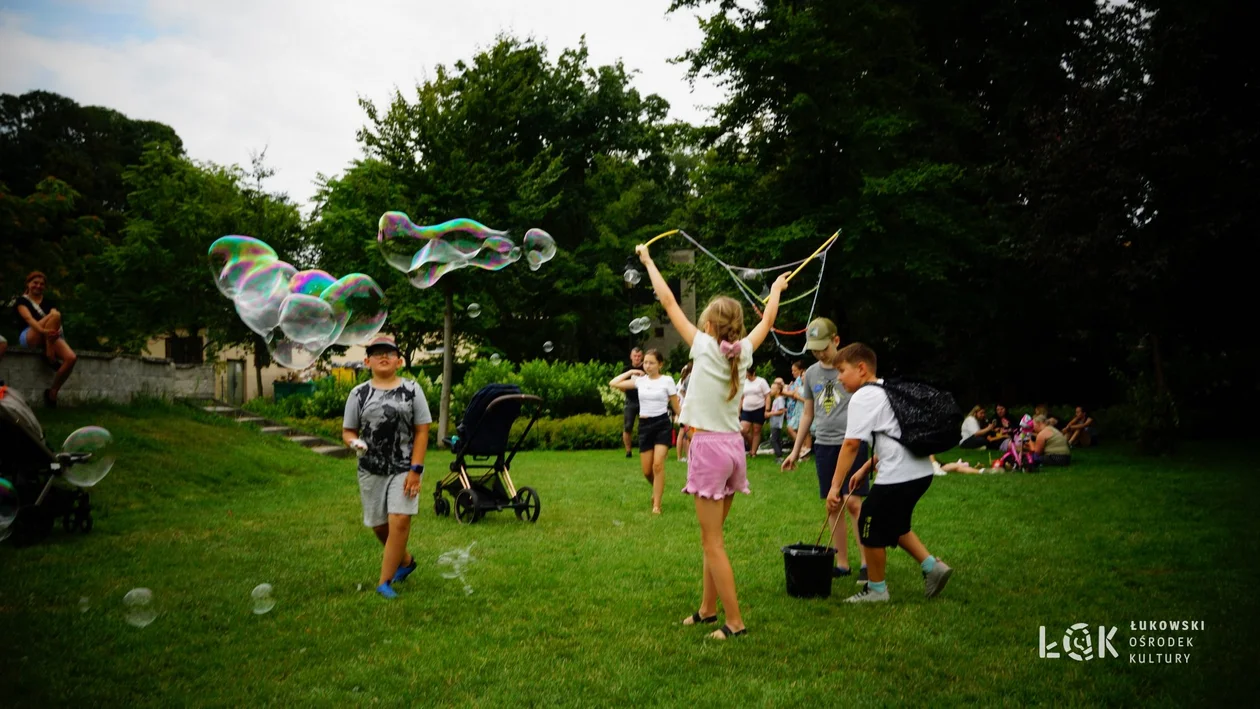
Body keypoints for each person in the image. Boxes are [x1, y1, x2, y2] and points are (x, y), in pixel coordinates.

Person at [635, 241, 788, 641]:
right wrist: (774, 291)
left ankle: (734, 622)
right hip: (734, 450)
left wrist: (648, 261)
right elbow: (768, 321)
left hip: (708, 449)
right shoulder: (744, 351)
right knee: (713, 536)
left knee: (713, 541)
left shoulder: (704, 348)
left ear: (708, 326)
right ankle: (707, 609)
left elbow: (668, 301)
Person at [826, 342, 953, 603]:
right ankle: (933, 567)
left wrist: (834, 487)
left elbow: (850, 444)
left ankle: (877, 590)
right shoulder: (885, 389)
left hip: (899, 475)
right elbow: (893, 436)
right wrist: (865, 467)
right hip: (919, 472)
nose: (838, 378)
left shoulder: (864, 396)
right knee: (893, 524)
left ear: (861, 369)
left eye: (841, 370)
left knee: (869, 525)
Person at [341, 334, 432, 600]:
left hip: (404, 466)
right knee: (379, 526)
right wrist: (354, 442)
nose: (384, 356)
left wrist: (416, 470)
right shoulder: (358, 394)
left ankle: (384, 582)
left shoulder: (412, 389)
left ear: (399, 361)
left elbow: (422, 431)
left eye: (390, 353)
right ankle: (405, 561)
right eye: (377, 352)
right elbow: (348, 431)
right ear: (367, 360)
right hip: (370, 468)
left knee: (400, 519)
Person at [781, 317, 870, 581]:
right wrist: (796, 451)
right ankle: (841, 562)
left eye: (824, 346)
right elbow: (808, 413)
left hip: (852, 443)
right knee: (833, 505)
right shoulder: (811, 374)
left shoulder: (852, 370)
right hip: (824, 445)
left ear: (837, 340)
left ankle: (867, 562)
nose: (820, 353)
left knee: (853, 502)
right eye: (815, 348)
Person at [609, 349, 682, 514]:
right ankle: (657, 488)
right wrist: (630, 372)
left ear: (660, 364)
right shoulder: (639, 381)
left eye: (652, 363)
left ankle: (657, 505)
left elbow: (676, 406)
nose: (647, 366)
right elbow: (613, 383)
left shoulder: (667, 381)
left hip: (662, 424)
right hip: (644, 426)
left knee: (658, 466)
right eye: (645, 362)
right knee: (647, 471)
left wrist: (685, 422)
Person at [13, 271, 77, 407]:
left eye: (42, 284)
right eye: (35, 283)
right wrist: (45, 330)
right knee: (55, 315)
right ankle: (49, 355)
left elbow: (55, 323)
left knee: (71, 358)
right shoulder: (21, 301)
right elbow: (28, 319)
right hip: (30, 335)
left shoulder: (49, 302)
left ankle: (53, 392)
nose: (38, 286)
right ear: (28, 284)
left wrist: (51, 333)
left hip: (49, 337)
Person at [739, 366, 771, 456]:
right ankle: (751, 445)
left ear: (753, 373)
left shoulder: (761, 381)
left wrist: (767, 409)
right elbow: (741, 398)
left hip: (759, 408)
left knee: (757, 430)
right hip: (746, 409)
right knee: (743, 430)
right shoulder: (744, 383)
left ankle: (753, 452)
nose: (747, 377)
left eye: (749, 375)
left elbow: (767, 396)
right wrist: (739, 410)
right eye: (746, 376)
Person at [620, 347, 645, 458]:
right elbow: (620, 384)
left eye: (639, 356)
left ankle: (644, 448)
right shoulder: (626, 370)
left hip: (644, 400)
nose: (637, 358)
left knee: (644, 426)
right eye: (635, 356)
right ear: (631, 357)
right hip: (630, 401)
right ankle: (628, 451)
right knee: (628, 426)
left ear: (642, 356)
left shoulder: (646, 368)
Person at [766, 381, 788, 465]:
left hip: (777, 423)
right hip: (774, 423)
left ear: (778, 391)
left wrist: (770, 413)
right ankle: (780, 455)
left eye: (772, 389)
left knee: (773, 440)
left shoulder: (779, 400)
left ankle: (779, 456)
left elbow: (781, 411)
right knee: (777, 439)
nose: (770, 390)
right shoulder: (776, 400)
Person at [676, 363, 693, 463]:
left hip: (684, 408)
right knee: (684, 433)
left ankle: (686, 456)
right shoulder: (689, 379)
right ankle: (683, 456)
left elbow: (681, 392)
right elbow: (681, 392)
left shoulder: (683, 380)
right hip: (685, 409)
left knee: (684, 433)